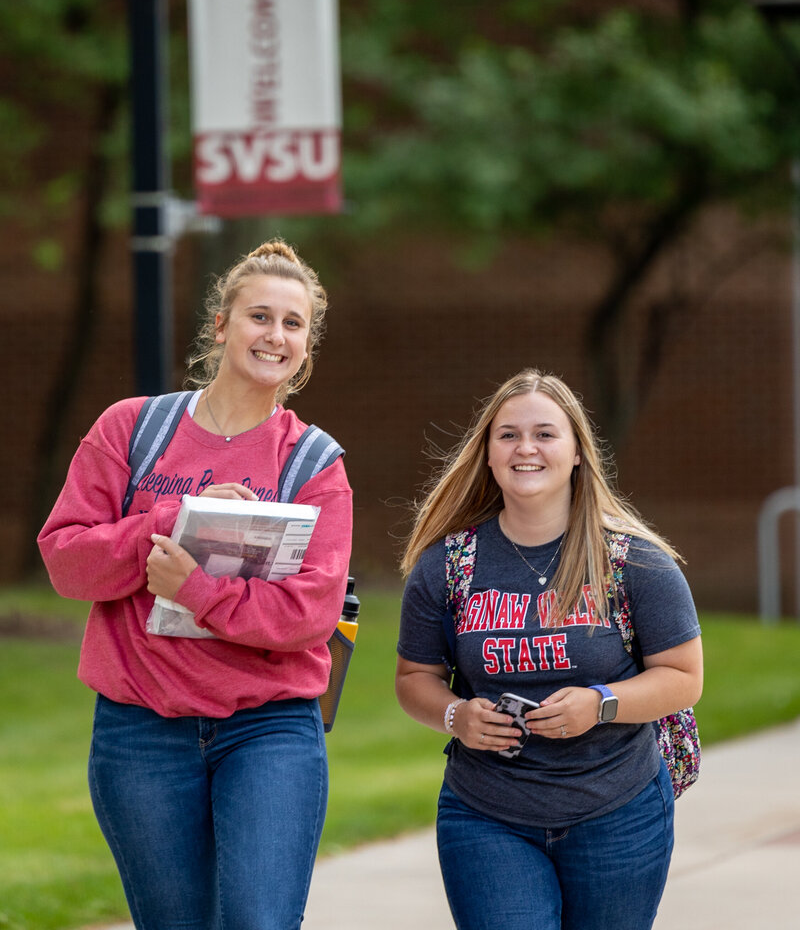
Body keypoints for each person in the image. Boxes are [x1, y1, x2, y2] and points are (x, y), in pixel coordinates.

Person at [39, 239, 352, 930]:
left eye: (292, 324)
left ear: (306, 345)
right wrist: (175, 518)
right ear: (221, 325)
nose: (274, 336)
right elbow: (66, 561)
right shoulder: (132, 429)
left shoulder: (313, 462)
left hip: (268, 728)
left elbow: (309, 612)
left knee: (258, 922)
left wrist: (196, 590)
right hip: (140, 731)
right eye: (259, 316)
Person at [396, 368, 702, 930]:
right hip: (486, 815)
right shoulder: (447, 567)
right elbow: (413, 676)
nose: (525, 448)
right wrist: (455, 715)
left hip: (619, 812)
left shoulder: (635, 561)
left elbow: (684, 677)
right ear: (487, 454)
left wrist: (601, 703)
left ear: (578, 452)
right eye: (508, 435)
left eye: (545, 433)